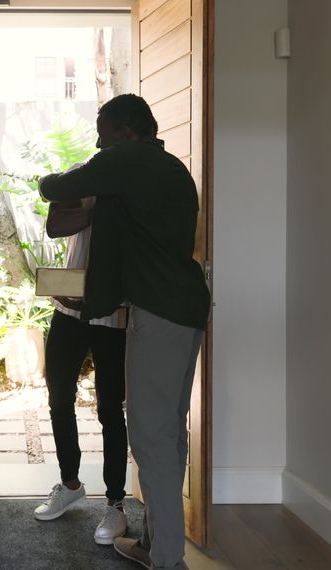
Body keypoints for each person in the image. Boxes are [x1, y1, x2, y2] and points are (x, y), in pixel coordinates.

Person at [38, 94, 210, 569]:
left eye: (103, 130)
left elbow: (53, 187)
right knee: (169, 432)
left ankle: (168, 559)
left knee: (151, 437)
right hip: (182, 309)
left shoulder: (129, 160)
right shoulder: (168, 168)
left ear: (127, 132)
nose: (97, 141)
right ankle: (157, 542)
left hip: (159, 313)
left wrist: (53, 179)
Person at [32, 192, 129, 546]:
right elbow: (56, 225)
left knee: (110, 408)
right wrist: (103, 208)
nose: (104, 139)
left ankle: (116, 502)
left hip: (115, 311)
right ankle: (70, 484)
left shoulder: (133, 182)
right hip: (68, 308)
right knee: (58, 398)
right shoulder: (81, 176)